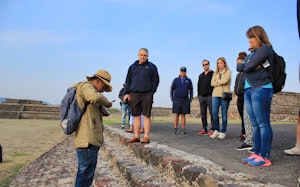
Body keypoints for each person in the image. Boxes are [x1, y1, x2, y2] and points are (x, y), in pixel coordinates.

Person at [238, 25, 274, 167]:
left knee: (263, 123)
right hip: (249, 89)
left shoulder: (265, 49)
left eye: (251, 38)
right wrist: (249, 64)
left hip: (261, 88)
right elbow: (239, 67)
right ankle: (256, 152)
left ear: (258, 36)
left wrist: (248, 64)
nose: (249, 42)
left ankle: (265, 156)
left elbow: (247, 66)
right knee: (255, 124)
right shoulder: (252, 53)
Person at [72, 70, 113, 187]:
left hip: (90, 140)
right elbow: (94, 96)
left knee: (86, 174)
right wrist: (107, 103)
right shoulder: (86, 86)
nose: (103, 90)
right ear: (98, 81)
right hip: (87, 141)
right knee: (85, 174)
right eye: (104, 87)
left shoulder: (90, 91)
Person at [123, 48, 159, 144]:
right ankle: (136, 136)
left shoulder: (152, 67)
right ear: (138, 55)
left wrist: (152, 91)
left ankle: (146, 136)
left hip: (147, 93)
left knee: (146, 115)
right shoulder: (132, 67)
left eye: (145, 55)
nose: (142, 57)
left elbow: (156, 80)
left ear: (147, 56)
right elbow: (128, 81)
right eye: (141, 55)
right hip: (135, 93)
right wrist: (126, 93)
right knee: (136, 115)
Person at [236, 49, 255, 151]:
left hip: (252, 91)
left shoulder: (260, 55)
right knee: (245, 117)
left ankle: (258, 144)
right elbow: (239, 68)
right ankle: (248, 140)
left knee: (256, 119)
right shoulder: (240, 74)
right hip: (243, 93)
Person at [210, 57, 231, 140]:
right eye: (218, 63)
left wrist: (217, 81)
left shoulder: (228, 71)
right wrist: (220, 82)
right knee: (214, 113)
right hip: (215, 94)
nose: (219, 64)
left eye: (221, 63)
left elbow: (226, 81)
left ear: (224, 63)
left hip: (224, 95)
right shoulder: (215, 73)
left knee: (224, 114)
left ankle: (223, 131)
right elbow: (211, 83)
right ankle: (216, 130)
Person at [170, 66, 194, 135]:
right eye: (182, 71)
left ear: (186, 72)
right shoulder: (176, 80)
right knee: (176, 114)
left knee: (183, 115)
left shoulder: (188, 80)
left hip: (185, 100)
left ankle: (183, 129)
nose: (183, 72)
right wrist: (172, 98)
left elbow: (191, 90)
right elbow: (172, 89)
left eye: (184, 71)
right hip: (177, 99)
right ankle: (175, 129)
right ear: (180, 72)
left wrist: (191, 98)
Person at [197, 60, 214, 136]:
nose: (205, 66)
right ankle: (204, 129)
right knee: (203, 113)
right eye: (203, 65)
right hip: (202, 97)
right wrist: (199, 96)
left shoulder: (213, 74)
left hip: (210, 96)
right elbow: (198, 86)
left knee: (212, 113)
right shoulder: (201, 75)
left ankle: (212, 129)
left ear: (209, 64)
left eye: (206, 64)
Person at [234, 52, 247, 140]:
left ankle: (247, 133)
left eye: (239, 63)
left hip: (245, 95)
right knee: (242, 115)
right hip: (239, 96)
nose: (237, 65)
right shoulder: (238, 75)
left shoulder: (247, 73)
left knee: (246, 116)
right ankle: (243, 131)